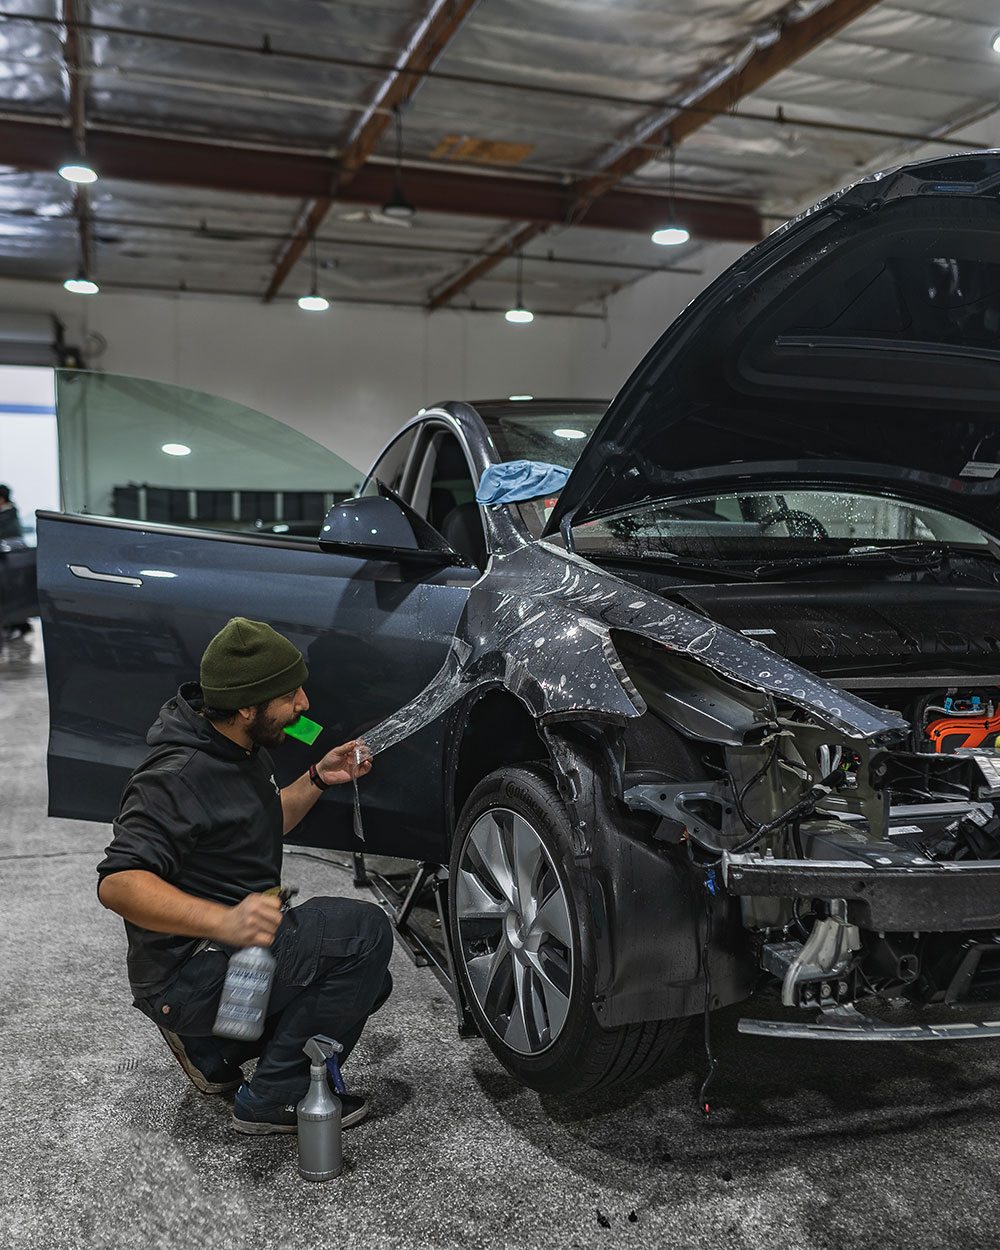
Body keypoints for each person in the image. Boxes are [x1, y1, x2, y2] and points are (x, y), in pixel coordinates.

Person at [96, 617, 393, 1135]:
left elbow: (261, 821)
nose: (303, 704)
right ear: (247, 707)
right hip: (193, 972)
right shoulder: (175, 777)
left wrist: (320, 775)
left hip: (222, 964)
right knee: (363, 933)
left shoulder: (238, 744)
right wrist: (224, 922)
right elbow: (118, 883)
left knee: (370, 984)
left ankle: (217, 1047)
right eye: (289, 696)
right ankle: (276, 1097)